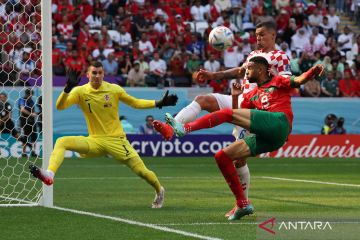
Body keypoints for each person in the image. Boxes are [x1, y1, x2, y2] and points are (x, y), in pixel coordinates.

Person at [153, 20, 291, 218]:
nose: (258, 38)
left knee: (238, 160)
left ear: (273, 36)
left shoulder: (280, 57)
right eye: (256, 35)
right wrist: (213, 75)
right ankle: (172, 128)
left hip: (257, 108)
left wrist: (267, 99)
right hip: (242, 99)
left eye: (262, 35)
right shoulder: (253, 55)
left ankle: (242, 203)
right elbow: (239, 72)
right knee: (203, 99)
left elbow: (284, 83)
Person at [158, 57, 324, 220]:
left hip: (280, 122)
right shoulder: (252, 94)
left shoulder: (278, 81)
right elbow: (237, 116)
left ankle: (184, 128)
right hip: (271, 138)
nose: (246, 72)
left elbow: (300, 79)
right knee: (222, 156)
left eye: (249, 68)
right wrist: (236, 96)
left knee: (226, 115)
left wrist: (312, 71)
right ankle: (242, 203)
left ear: (260, 69)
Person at [29, 62, 178, 208]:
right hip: (95, 141)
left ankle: (159, 190)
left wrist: (159, 102)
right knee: (62, 141)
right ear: (88, 75)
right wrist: (67, 88)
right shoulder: (80, 91)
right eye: (94, 72)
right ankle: (49, 174)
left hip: (117, 141)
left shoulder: (113, 89)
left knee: (142, 172)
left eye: (100, 73)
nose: (97, 76)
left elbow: (135, 103)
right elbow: (60, 106)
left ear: (104, 74)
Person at [18, 89, 38, 157]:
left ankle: (33, 152)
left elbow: (33, 110)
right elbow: (22, 109)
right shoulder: (22, 100)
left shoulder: (31, 101)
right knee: (25, 137)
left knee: (34, 136)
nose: (30, 96)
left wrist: (34, 114)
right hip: (24, 121)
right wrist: (31, 114)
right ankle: (24, 153)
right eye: (29, 94)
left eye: (31, 95)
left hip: (32, 121)